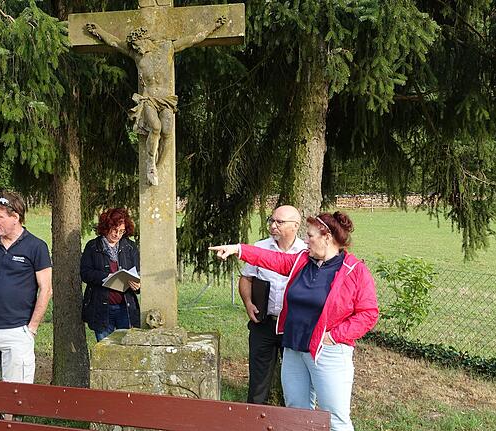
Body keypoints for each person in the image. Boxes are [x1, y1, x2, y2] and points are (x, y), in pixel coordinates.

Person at [210, 211, 378, 431]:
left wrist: (334, 336)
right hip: (293, 348)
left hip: (327, 352)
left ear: (327, 237)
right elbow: (270, 259)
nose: (306, 241)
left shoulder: (354, 270)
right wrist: (238, 249)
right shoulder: (302, 261)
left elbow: (368, 313)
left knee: (335, 418)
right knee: (295, 413)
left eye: (310, 236)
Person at [84, 15, 226, 186]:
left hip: (166, 100)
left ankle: (158, 165)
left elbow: (194, 39)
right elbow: (114, 42)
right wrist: (98, 31)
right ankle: (151, 162)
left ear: (145, 40)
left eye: (137, 44)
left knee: (167, 131)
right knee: (156, 128)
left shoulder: (168, 47)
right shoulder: (136, 55)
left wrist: (213, 26)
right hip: (149, 99)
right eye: (133, 46)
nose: (135, 48)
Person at [0, 191, 52, 419]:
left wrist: (31, 328)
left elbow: (46, 289)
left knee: (17, 397)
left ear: (16, 217)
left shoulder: (37, 247)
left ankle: (12, 423)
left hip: (18, 332)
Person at [239, 205, 306, 405]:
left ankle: (290, 419)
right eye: (272, 220)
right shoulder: (259, 248)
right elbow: (246, 278)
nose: (273, 226)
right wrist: (248, 303)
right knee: (258, 379)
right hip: (264, 323)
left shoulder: (305, 252)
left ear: (295, 225)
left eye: (279, 222)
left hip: (292, 326)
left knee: (295, 380)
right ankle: (254, 419)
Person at [81, 208, 140, 341]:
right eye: (114, 229)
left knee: (126, 350)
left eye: (122, 231)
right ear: (106, 226)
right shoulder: (93, 246)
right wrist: (105, 277)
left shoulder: (129, 247)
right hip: (101, 308)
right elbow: (85, 273)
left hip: (125, 307)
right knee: (104, 350)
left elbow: (138, 272)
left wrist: (138, 285)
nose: (117, 234)